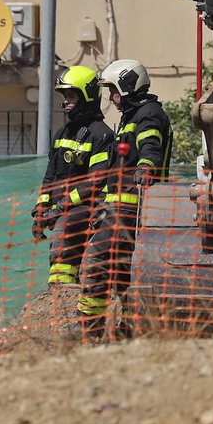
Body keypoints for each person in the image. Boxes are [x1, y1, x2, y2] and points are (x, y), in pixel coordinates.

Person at [80, 60, 172, 340]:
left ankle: (89, 328)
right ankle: (132, 327)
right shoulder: (132, 116)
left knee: (97, 261)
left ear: (127, 86)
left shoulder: (148, 114)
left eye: (113, 91)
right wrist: (103, 207)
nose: (111, 98)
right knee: (122, 271)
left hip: (134, 209)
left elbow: (150, 146)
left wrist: (146, 165)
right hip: (119, 209)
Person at [31, 66, 116, 315]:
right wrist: (41, 209)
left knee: (63, 233)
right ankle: (57, 300)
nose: (66, 102)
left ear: (88, 96)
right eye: (64, 96)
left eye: (72, 96)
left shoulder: (102, 135)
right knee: (61, 229)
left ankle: (66, 300)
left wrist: (59, 208)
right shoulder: (62, 133)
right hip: (63, 208)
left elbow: (95, 182)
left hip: (89, 207)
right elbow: (51, 177)